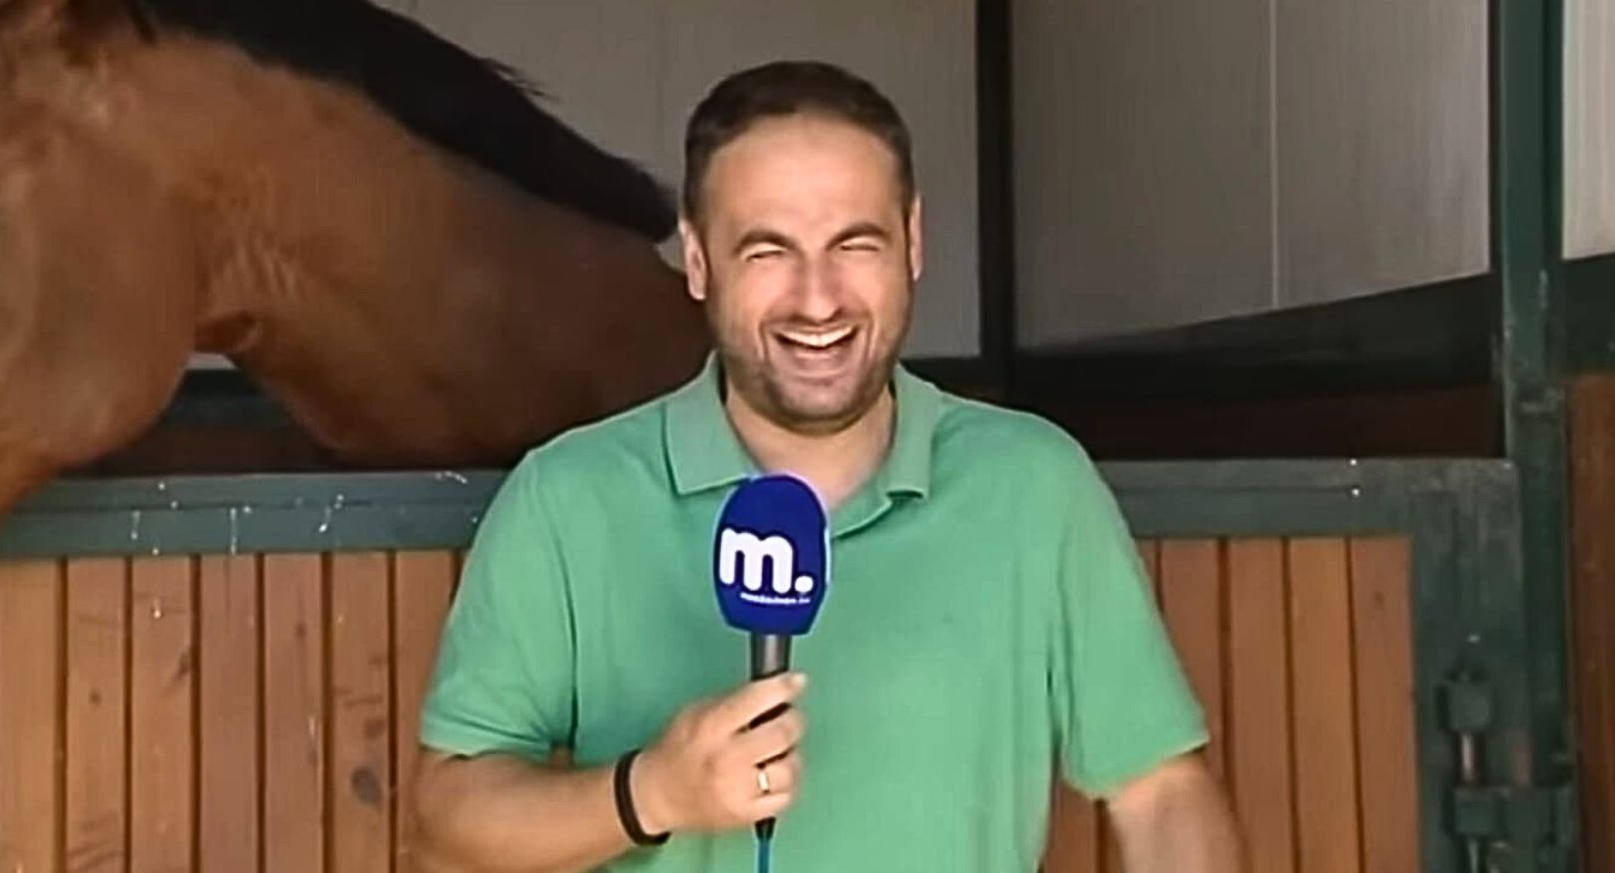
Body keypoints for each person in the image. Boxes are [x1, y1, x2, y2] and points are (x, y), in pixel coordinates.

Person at [409, 61, 1244, 872]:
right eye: (768, 251)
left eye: (855, 244)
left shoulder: (1034, 484)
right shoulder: (567, 499)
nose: (818, 300)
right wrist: (650, 793)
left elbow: (1161, 796)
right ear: (698, 262)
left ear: (913, 242)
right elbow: (451, 825)